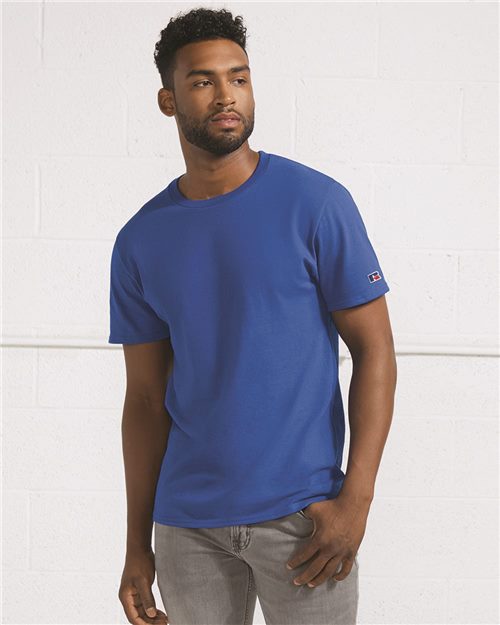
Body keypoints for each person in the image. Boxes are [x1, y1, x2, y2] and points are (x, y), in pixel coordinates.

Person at [108, 7, 397, 625]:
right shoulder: (140, 240)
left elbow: (375, 351)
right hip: (187, 527)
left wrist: (356, 502)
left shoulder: (317, 203)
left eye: (238, 78)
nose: (226, 95)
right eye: (203, 81)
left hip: (305, 523)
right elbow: (145, 399)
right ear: (168, 100)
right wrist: (137, 544)